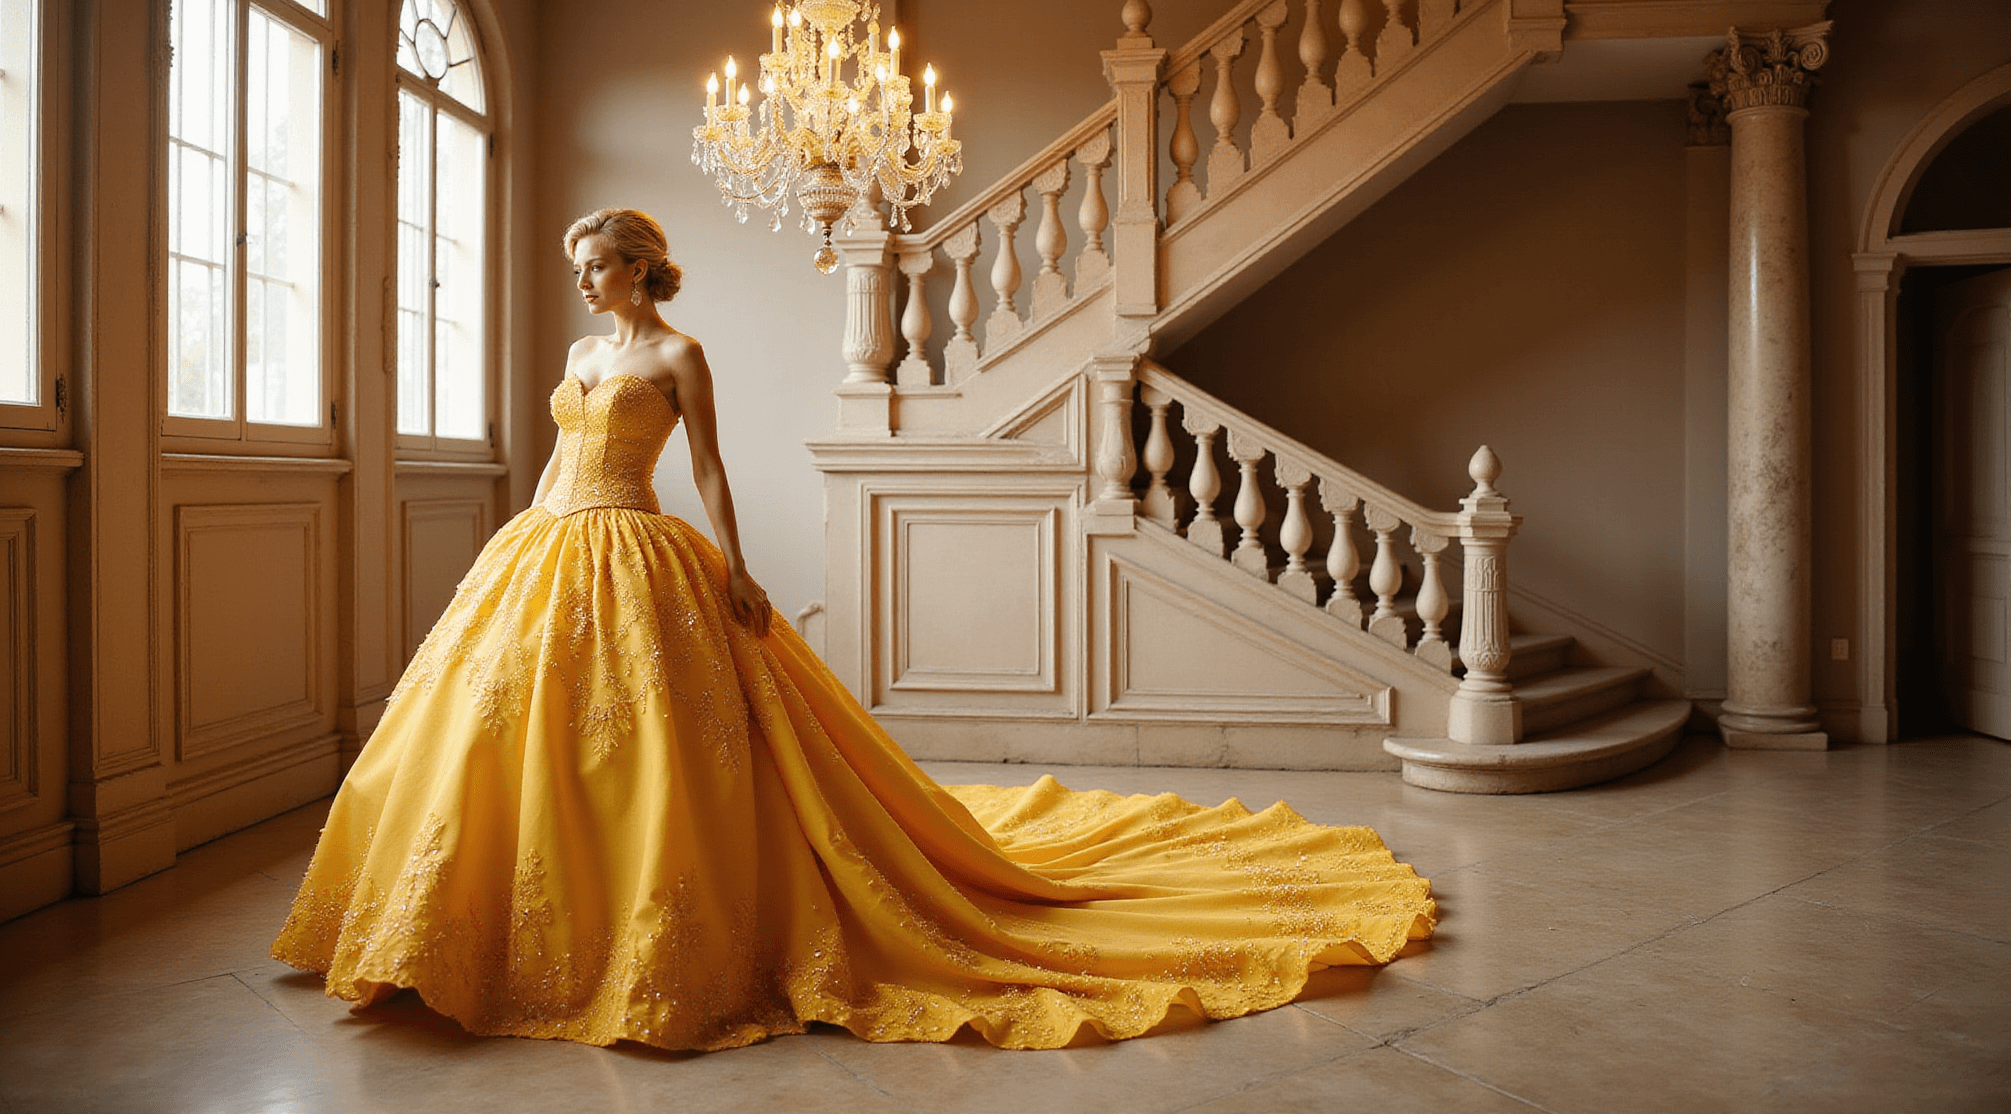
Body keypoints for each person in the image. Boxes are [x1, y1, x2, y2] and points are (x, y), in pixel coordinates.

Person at [271, 207, 1435, 1051]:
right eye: (576, 266)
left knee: (660, 753)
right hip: (547, 544)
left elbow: (714, 467)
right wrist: (519, 539)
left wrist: (736, 565)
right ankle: (450, 934)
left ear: (640, 269)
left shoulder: (679, 354)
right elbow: (555, 455)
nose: (582, 282)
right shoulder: (582, 358)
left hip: (640, 538)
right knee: (502, 741)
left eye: (596, 265)